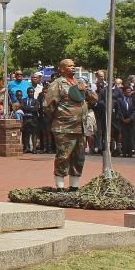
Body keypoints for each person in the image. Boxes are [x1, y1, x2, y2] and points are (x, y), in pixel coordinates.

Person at [43, 58, 96, 190]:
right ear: (61, 69)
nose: (73, 68)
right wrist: (63, 116)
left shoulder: (79, 82)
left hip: (80, 127)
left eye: (74, 66)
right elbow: (48, 106)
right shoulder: (57, 84)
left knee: (79, 157)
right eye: (69, 66)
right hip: (64, 127)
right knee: (63, 156)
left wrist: (87, 90)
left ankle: (74, 186)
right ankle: (60, 186)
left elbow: (94, 99)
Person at [119, 85, 135, 157]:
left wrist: (130, 118)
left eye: (129, 92)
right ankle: (124, 152)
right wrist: (123, 119)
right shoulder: (120, 100)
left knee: (131, 137)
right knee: (124, 137)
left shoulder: (132, 100)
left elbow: (134, 111)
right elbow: (119, 111)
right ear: (124, 92)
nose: (129, 93)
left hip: (131, 121)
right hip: (123, 121)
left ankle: (130, 153)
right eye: (127, 92)